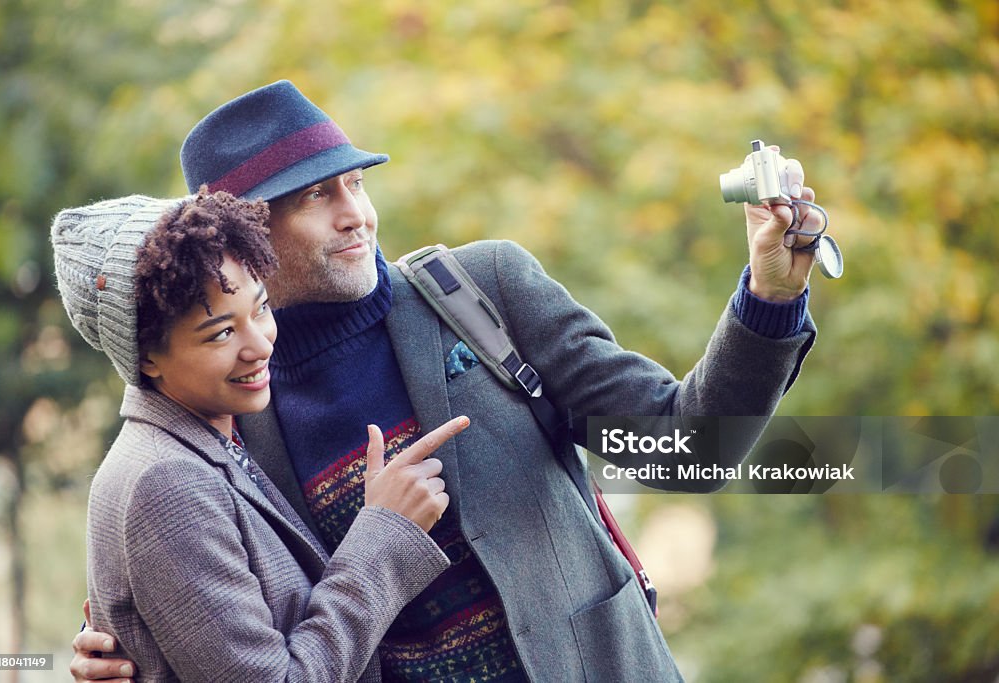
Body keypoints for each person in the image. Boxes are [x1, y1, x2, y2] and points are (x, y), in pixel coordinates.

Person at [72, 80, 821, 682]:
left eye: (356, 184)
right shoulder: (230, 418)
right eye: (316, 196)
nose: (356, 215)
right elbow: (235, 632)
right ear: (247, 235)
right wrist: (137, 657)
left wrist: (771, 295)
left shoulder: (483, 290)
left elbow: (684, 451)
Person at [54, 189, 470, 681]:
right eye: (221, 334)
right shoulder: (166, 482)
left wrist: (590, 452)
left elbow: (588, 416)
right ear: (144, 358)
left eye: (261, 308)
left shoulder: (223, 434)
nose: (259, 345)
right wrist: (385, 533)